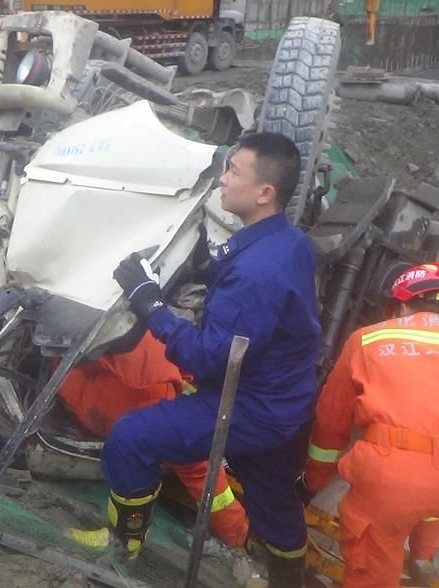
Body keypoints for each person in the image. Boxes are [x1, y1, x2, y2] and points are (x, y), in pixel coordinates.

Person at [100, 132, 322, 586]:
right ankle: (287, 578)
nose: (222, 179)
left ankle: (124, 548)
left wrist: (151, 305)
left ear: (265, 192)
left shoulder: (257, 272)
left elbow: (210, 356)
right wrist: (206, 265)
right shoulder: (287, 242)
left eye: (233, 172)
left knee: (129, 438)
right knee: (274, 499)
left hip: (250, 403)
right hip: (287, 400)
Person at [302, 262, 439, 588]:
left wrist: (313, 481)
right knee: (438, 479)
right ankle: (424, 555)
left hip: (393, 486)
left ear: (402, 305)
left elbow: (331, 421)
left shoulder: (367, 339)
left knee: (374, 556)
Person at [59, 332, 249, 548]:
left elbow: (210, 485)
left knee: (139, 463)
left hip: (114, 396)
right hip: (106, 382)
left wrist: (238, 537)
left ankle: (125, 543)